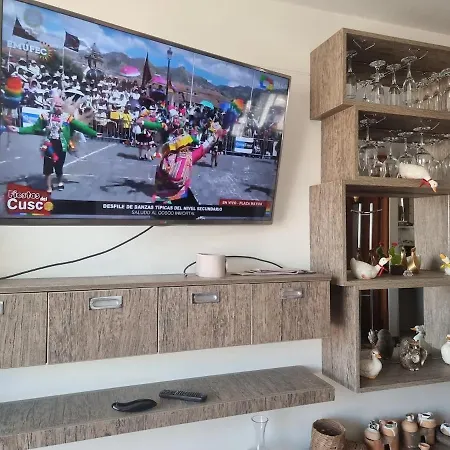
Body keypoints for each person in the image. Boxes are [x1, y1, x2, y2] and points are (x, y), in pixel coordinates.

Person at [8, 96, 98, 193]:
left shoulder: (67, 118)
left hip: (61, 145)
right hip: (49, 144)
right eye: (56, 106)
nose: (58, 108)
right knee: (48, 167)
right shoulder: (45, 116)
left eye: (60, 106)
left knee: (59, 166)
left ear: (63, 107)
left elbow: (80, 127)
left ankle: (60, 181)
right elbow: (34, 128)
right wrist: (18, 129)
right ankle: (48, 187)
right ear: (52, 106)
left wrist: (94, 133)